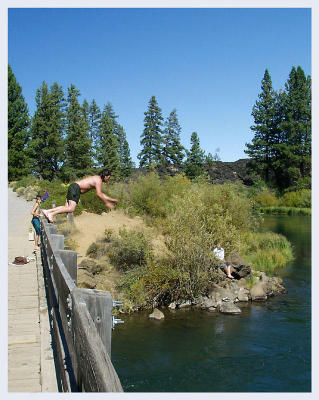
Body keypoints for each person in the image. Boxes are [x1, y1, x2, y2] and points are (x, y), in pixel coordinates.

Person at [42, 169, 119, 223]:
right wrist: (107, 203)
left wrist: (112, 200)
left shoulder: (97, 178)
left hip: (74, 187)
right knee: (71, 209)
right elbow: (99, 194)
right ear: (105, 176)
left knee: (66, 208)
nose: (108, 179)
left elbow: (101, 194)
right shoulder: (98, 180)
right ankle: (51, 214)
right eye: (108, 177)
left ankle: (47, 211)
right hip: (76, 188)